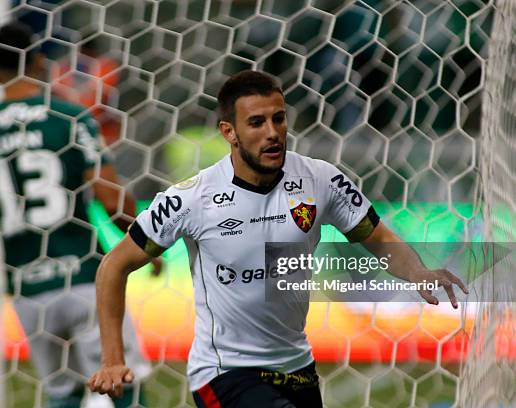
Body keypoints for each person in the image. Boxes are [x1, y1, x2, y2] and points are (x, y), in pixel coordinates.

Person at [87, 70, 468, 407]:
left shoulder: (321, 180)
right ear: (229, 133)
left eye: (279, 118)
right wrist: (112, 359)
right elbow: (113, 265)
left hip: (297, 365)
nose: (272, 132)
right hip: (225, 373)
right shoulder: (192, 198)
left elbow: (378, 237)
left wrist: (418, 272)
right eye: (256, 122)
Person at [0, 22, 157, 408]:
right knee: (124, 384)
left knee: (63, 395)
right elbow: (110, 199)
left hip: (29, 293)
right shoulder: (69, 118)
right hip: (84, 279)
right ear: (40, 62)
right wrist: (145, 247)